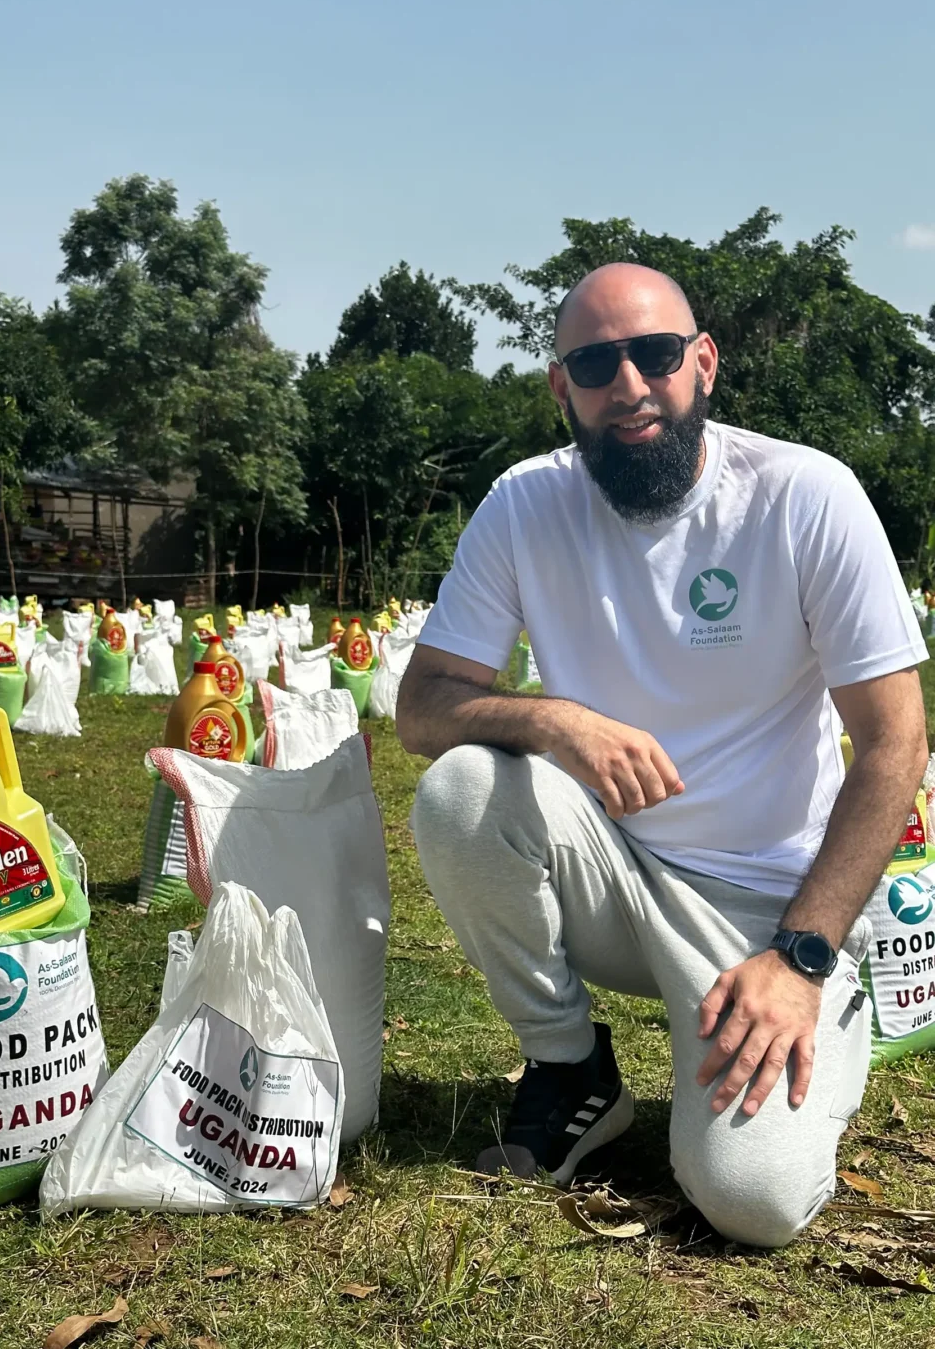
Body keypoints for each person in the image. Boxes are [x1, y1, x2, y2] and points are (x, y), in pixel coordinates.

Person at [396, 263, 929, 1248]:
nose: (630, 385)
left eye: (655, 354)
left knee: (751, 1201)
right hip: (618, 878)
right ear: (563, 388)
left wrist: (801, 955)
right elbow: (423, 707)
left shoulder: (804, 497)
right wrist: (557, 720)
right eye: (596, 363)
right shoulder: (524, 505)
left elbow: (897, 743)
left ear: (704, 363)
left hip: (771, 913)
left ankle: (835, 1004)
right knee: (464, 788)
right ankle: (570, 1072)